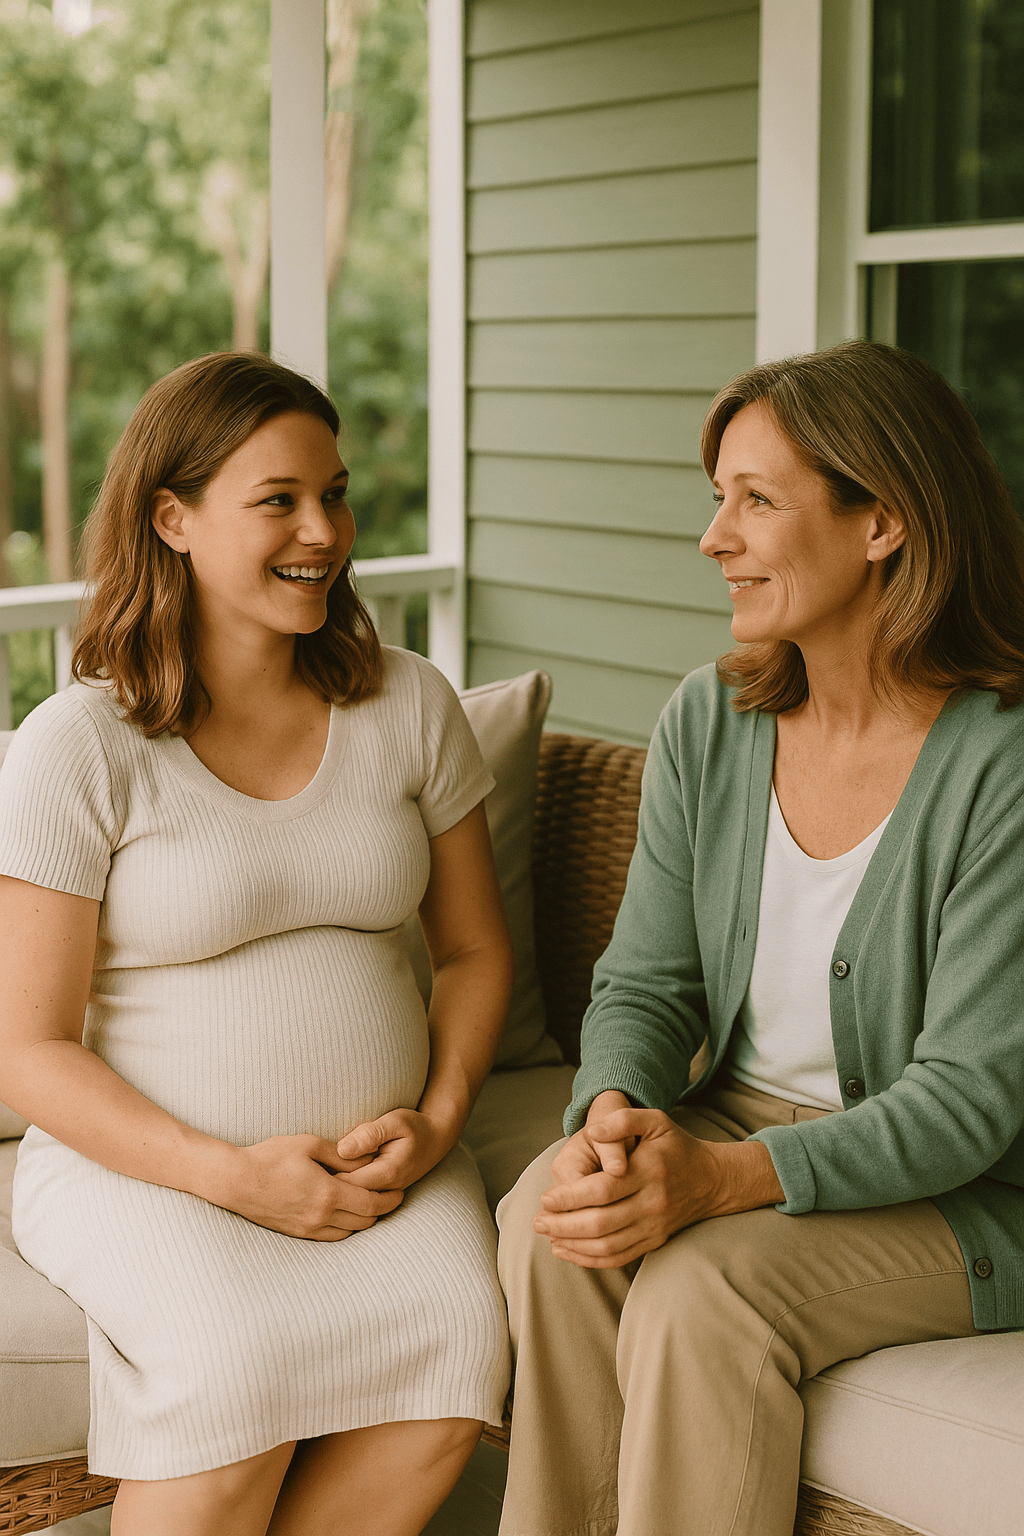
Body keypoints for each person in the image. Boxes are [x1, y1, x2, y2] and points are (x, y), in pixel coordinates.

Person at [496, 339, 1024, 1536]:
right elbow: (644, 981)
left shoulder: (1003, 763)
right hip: (734, 1121)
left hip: (971, 1188)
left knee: (704, 1291)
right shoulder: (711, 718)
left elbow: (969, 1101)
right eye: (716, 499)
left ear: (881, 520)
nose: (714, 537)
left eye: (756, 501)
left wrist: (723, 1180)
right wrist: (615, 1114)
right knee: (553, 1225)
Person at [0, 352, 513, 1536]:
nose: (322, 531)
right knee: (234, 1378)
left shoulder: (410, 703)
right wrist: (230, 1176)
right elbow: (27, 1050)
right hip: (146, 1171)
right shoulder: (81, 744)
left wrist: (436, 1121)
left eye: (333, 495)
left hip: (384, 1170)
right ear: (171, 518)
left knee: (452, 1356)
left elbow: (477, 954)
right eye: (277, 500)